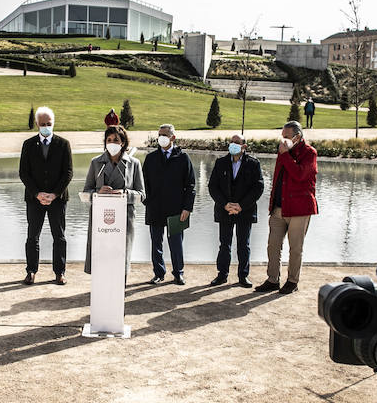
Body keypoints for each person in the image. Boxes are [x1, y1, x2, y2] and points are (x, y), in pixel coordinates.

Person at [256, 121, 318, 295]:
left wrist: (285, 155)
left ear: (297, 137)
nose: (282, 140)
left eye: (286, 136)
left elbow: (300, 175)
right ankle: (272, 279)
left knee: (295, 248)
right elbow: (277, 178)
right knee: (273, 245)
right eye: (282, 136)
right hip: (278, 208)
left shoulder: (309, 153)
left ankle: (292, 281)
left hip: (299, 209)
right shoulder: (283, 152)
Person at [19, 105, 73, 285]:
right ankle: (31, 271)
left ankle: (60, 272)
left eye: (48, 123)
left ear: (53, 123)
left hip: (57, 199)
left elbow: (68, 173)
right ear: (37, 124)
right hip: (35, 199)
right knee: (32, 236)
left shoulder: (64, 144)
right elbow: (23, 173)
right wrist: (37, 193)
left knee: (59, 236)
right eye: (42, 124)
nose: (45, 126)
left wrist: (54, 194)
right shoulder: (28, 144)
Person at [81, 124, 145, 275]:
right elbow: (86, 192)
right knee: (100, 260)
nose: (112, 143)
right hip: (100, 221)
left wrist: (124, 194)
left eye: (116, 140)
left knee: (119, 263)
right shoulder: (95, 163)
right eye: (108, 140)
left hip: (124, 220)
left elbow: (142, 195)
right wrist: (97, 193)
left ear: (123, 142)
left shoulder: (134, 164)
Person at [207, 132, 264, 287]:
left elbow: (258, 188)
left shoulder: (253, 163)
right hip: (224, 210)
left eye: (236, 142)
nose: (232, 144)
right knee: (224, 244)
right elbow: (213, 186)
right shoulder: (221, 162)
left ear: (244, 146)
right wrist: (225, 204)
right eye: (231, 142)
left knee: (243, 244)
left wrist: (241, 206)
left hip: (244, 211)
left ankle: (243, 276)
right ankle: (222, 274)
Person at [141, 123, 195, 285]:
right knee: (156, 243)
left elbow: (191, 185)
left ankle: (178, 273)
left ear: (173, 137)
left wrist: (187, 208)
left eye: (164, 135)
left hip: (177, 210)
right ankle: (159, 273)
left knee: (176, 244)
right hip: (155, 208)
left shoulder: (183, 158)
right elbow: (143, 183)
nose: (161, 138)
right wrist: (147, 202)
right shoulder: (151, 158)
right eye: (159, 135)